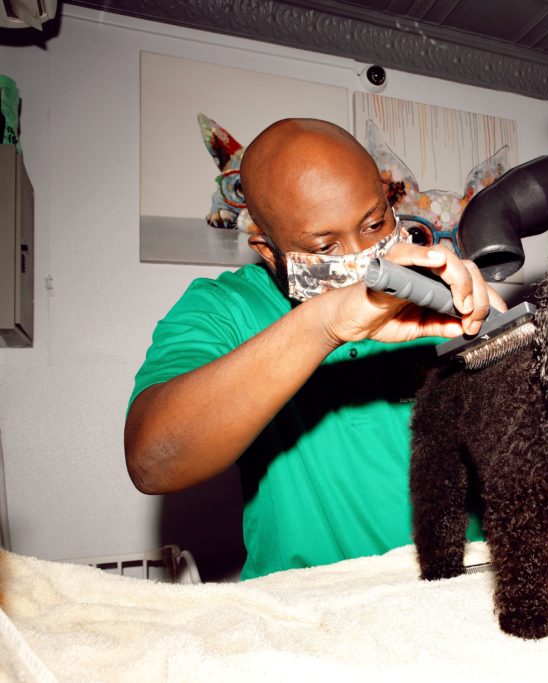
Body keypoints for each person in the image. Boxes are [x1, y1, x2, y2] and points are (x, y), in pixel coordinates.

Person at [125, 118, 500, 579]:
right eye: (325, 247)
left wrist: (500, 340)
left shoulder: (435, 291)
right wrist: (325, 325)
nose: (365, 256)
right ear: (268, 250)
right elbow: (153, 462)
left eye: (374, 223)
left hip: (463, 592)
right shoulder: (225, 308)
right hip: (316, 618)